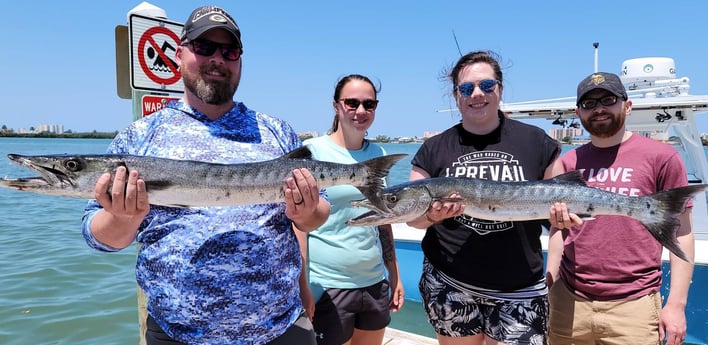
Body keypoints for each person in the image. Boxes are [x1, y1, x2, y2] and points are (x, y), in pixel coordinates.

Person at [81, 6, 330, 345]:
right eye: (204, 47)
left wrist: (308, 213)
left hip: (280, 328)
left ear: (240, 61)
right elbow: (98, 237)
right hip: (177, 335)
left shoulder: (277, 131)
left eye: (229, 51)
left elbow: (316, 216)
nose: (218, 59)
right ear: (180, 54)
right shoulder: (140, 136)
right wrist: (122, 220)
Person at [407, 50, 561, 345]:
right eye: (466, 88)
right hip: (449, 282)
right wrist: (430, 216)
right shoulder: (434, 148)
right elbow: (413, 216)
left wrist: (552, 272)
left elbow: (562, 212)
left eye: (486, 86)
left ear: (500, 89)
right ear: (456, 96)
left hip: (521, 287)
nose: (476, 94)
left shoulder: (537, 141)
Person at [546, 72, 695, 345]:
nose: (599, 109)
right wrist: (551, 280)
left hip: (635, 305)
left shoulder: (662, 157)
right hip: (569, 301)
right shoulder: (567, 163)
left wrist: (676, 304)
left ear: (627, 105)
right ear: (578, 112)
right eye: (589, 104)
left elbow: (682, 232)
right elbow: (558, 229)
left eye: (608, 99)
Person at [294, 74, 404, 345]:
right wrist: (303, 286)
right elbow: (298, 225)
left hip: (374, 282)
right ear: (336, 106)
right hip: (328, 285)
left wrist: (394, 273)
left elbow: (382, 217)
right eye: (352, 102)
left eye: (369, 104)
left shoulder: (377, 152)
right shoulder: (312, 152)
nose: (361, 111)